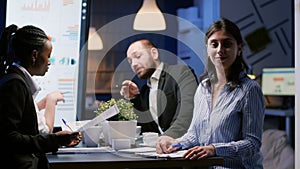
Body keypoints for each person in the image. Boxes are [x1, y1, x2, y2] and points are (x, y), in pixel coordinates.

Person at [156, 18, 265, 169]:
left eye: (227, 44)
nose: (220, 50)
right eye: (214, 44)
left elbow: (252, 143)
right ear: (207, 48)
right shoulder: (203, 87)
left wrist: (214, 149)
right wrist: (175, 144)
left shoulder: (249, 90)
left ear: (239, 48)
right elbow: (194, 135)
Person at [0, 24, 81, 169]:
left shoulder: (16, 81)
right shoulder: (15, 84)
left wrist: (56, 140)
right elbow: (9, 138)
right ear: (34, 55)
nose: (49, 62)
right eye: (48, 56)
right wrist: (55, 140)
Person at [120, 39, 198, 138]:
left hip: (186, 147)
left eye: (138, 56)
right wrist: (133, 98)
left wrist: (168, 137)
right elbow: (145, 128)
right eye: (130, 61)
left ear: (154, 53)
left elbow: (187, 112)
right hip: (160, 150)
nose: (134, 64)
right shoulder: (144, 91)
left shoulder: (181, 73)